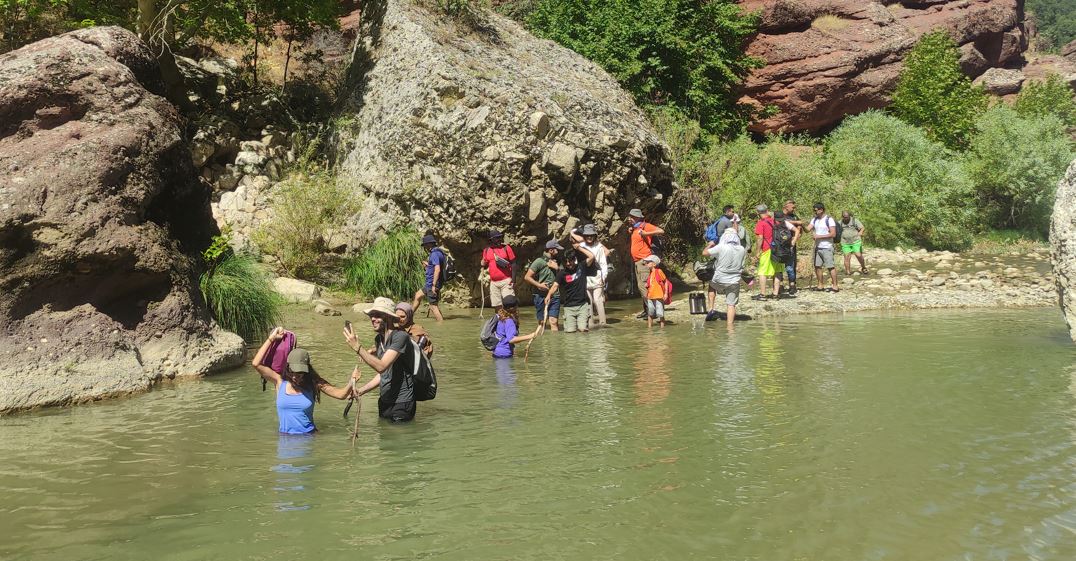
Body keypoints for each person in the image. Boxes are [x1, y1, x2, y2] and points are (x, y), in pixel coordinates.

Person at [252, 328, 355, 434]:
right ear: (287, 368)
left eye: (300, 373)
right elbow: (256, 364)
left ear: (306, 370)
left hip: (309, 437)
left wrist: (351, 381)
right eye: (292, 372)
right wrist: (271, 338)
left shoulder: (314, 383)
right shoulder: (280, 382)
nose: (295, 377)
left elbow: (341, 394)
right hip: (284, 439)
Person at [345, 297, 419, 422]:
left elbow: (381, 366)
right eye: (371, 315)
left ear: (389, 317)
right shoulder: (379, 339)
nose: (373, 319)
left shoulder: (401, 337)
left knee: (400, 434)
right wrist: (361, 390)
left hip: (402, 402)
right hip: (385, 401)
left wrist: (357, 347)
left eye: (377, 315)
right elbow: (384, 374)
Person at [546, 245, 596, 333]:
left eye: (570, 261)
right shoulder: (562, 273)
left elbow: (592, 256)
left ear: (574, 259)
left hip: (582, 306)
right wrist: (548, 295)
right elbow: (555, 286)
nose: (568, 263)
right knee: (570, 333)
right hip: (569, 307)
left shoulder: (582, 266)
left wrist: (579, 248)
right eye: (566, 262)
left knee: (583, 330)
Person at [703, 228, 746, 328]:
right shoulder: (742, 249)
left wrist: (710, 244)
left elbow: (704, 253)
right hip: (734, 280)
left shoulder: (721, 247)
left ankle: (711, 309)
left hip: (719, 278)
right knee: (731, 304)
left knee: (711, 286)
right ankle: (730, 328)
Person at [627, 208, 664, 319]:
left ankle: (652, 311)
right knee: (642, 286)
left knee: (643, 286)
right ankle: (647, 310)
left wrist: (646, 233)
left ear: (638, 217)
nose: (629, 219)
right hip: (638, 262)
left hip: (644, 261)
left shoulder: (645, 226)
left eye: (632, 217)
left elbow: (661, 231)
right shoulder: (635, 228)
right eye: (630, 217)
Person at [570, 224, 610, 327]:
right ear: (584, 236)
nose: (589, 237)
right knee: (588, 301)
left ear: (595, 236)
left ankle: (603, 323)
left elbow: (603, 263)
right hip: (585, 277)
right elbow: (576, 263)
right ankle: (590, 323)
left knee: (598, 300)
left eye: (591, 235)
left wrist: (604, 277)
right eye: (587, 235)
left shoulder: (599, 246)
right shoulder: (580, 246)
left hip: (597, 276)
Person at [524, 240, 563, 331]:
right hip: (540, 295)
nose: (558, 251)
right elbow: (527, 277)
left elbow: (564, 276)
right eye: (557, 249)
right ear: (551, 250)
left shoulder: (558, 261)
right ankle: (542, 339)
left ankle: (555, 339)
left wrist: (557, 268)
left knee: (553, 321)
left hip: (554, 294)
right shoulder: (539, 261)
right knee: (542, 323)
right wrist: (539, 285)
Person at [806, 202, 839, 292]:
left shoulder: (829, 219)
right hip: (818, 247)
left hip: (827, 247)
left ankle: (835, 286)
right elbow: (807, 229)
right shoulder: (814, 220)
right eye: (814, 210)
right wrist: (800, 225)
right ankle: (820, 285)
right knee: (817, 266)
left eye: (816, 210)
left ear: (821, 210)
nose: (814, 212)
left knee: (830, 266)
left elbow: (833, 234)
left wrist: (818, 236)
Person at [412, 234, 446, 322]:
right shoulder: (439, 252)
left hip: (432, 284)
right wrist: (428, 266)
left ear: (429, 244)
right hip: (430, 284)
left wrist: (434, 285)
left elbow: (437, 269)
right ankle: (409, 316)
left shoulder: (434, 254)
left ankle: (442, 324)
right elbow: (435, 267)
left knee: (433, 306)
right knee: (418, 295)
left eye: (425, 245)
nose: (425, 247)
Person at [481, 230, 516, 309]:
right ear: (491, 239)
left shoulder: (506, 248)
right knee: (497, 306)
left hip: (506, 281)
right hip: (493, 283)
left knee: (510, 304)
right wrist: (482, 263)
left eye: (500, 237)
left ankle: (511, 317)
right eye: (497, 238)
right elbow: (485, 263)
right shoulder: (486, 250)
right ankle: (500, 317)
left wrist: (513, 280)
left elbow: (514, 264)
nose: (499, 239)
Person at [752, 204, 779, 300]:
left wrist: (757, 252)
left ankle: (763, 294)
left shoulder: (761, 223)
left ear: (757, 212)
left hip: (767, 249)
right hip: (778, 249)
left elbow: (760, 238)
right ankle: (775, 294)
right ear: (767, 210)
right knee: (777, 271)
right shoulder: (775, 221)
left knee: (762, 271)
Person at [782, 199, 803, 295]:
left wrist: (797, 237)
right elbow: (782, 222)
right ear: (787, 206)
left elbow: (800, 227)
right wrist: (796, 222)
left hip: (791, 243)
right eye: (793, 207)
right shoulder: (780, 215)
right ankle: (780, 285)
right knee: (779, 265)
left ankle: (792, 285)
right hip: (780, 244)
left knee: (791, 265)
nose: (794, 209)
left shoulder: (794, 216)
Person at [642, 254, 668, 328]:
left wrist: (665, 293)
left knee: (660, 314)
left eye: (648, 262)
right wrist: (647, 285)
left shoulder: (659, 271)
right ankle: (649, 328)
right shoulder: (650, 273)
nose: (646, 263)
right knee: (650, 313)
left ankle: (662, 328)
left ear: (654, 264)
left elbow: (665, 281)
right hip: (650, 297)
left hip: (658, 296)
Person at [840, 211, 869, 275]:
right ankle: (848, 272)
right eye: (844, 217)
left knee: (858, 255)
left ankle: (863, 267)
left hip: (856, 241)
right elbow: (836, 230)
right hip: (845, 242)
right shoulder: (840, 222)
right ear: (842, 217)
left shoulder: (854, 220)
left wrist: (861, 232)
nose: (846, 218)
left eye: (847, 217)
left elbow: (862, 228)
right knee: (847, 256)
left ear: (849, 216)